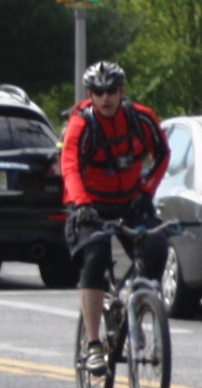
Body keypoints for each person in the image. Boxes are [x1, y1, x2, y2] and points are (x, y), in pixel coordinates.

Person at [60, 60, 169, 364]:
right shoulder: (82, 124)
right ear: (90, 94)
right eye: (98, 92)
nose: (105, 98)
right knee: (95, 257)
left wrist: (147, 191)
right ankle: (94, 344)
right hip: (90, 204)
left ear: (122, 91)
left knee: (158, 245)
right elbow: (69, 166)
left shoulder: (141, 119)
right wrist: (82, 204)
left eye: (111, 91)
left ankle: (137, 305)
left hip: (131, 200)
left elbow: (162, 154)